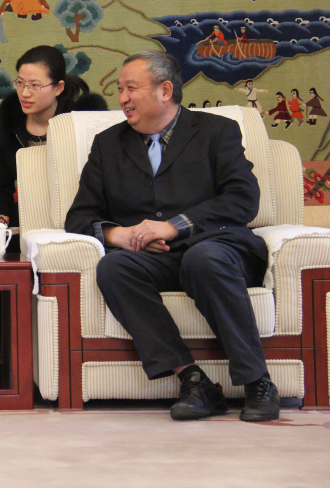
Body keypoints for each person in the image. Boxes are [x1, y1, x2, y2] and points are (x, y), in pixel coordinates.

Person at [65, 50, 279, 422]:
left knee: (203, 258)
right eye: (120, 89)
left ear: (165, 91)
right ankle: (193, 381)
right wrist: (121, 235)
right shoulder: (108, 144)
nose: (123, 98)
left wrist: (175, 225)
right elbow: (80, 216)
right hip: (156, 258)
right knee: (114, 268)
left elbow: (243, 200)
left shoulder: (216, 131)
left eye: (131, 88)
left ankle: (257, 381)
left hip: (219, 249)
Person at [0, 45, 107, 370]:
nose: (25, 93)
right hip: (25, 218)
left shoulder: (81, 119)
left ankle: (59, 345)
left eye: (35, 85)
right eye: (20, 83)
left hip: (76, 215)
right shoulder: (10, 117)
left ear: (58, 87)